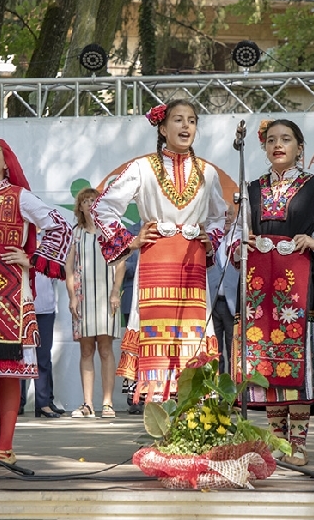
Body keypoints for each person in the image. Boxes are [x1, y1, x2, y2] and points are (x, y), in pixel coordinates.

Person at [231, 118, 314, 467]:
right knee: (267, 359)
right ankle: (276, 443)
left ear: (299, 147)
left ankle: (298, 444)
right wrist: (242, 242)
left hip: (299, 281)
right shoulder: (253, 188)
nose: (278, 145)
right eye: (271, 139)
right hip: (260, 284)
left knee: (297, 359)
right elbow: (236, 235)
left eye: (286, 139)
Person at [91, 99, 227, 404]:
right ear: (163, 128)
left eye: (191, 120)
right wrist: (130, 239)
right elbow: (104, 206)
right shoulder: (142, 168)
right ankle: (159, 422)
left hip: (192, 263)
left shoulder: (207, 172)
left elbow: (220, 215)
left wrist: (211, 237)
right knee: (155, 332)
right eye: (178, 120)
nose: (185, 126)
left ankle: (193, 421)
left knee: (193, 334)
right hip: (156, 258)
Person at [0, 135, 71, 465]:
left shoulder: (19, 197)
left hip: (9, 295)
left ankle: (5, 446)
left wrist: (33, 259)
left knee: (7, 371)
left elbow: (60, 224)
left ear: (6, 162)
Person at [66, 187, 125, 418]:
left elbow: (121, 263)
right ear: (80, 207)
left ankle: (108, 403)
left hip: (106, 296)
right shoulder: (76, 233)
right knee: (86, 348)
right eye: (86, 201)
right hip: (83, 298)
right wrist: (72, 297)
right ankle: (88, 404)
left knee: (106, 348)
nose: (91, 204)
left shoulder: (110, 232)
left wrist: (115, 292)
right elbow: (68, 268)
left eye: (94, 200)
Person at [19, 269, 65, 418]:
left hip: (45, 307)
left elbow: (55, 275)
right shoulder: (19, 247)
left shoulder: (48, 247)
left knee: (43, 357)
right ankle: (17, 402)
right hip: (21, 306)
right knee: (19, 356)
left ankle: (44, 403)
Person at [207, 211, 239, 375]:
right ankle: (216, 392)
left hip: (232, 305)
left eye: (229, 214)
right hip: (212, 305)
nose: (226, 217)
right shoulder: (209, 240)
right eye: (223, 214)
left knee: (234, 349)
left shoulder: (238, 240)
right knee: (214, 352)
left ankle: (235, 394)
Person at [119, 221, 142, 414]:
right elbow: (124, 265)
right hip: (132, 296)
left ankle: (152, 393)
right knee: (134, 347)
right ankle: (134, 397)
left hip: (159, 297)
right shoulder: (131, 232)